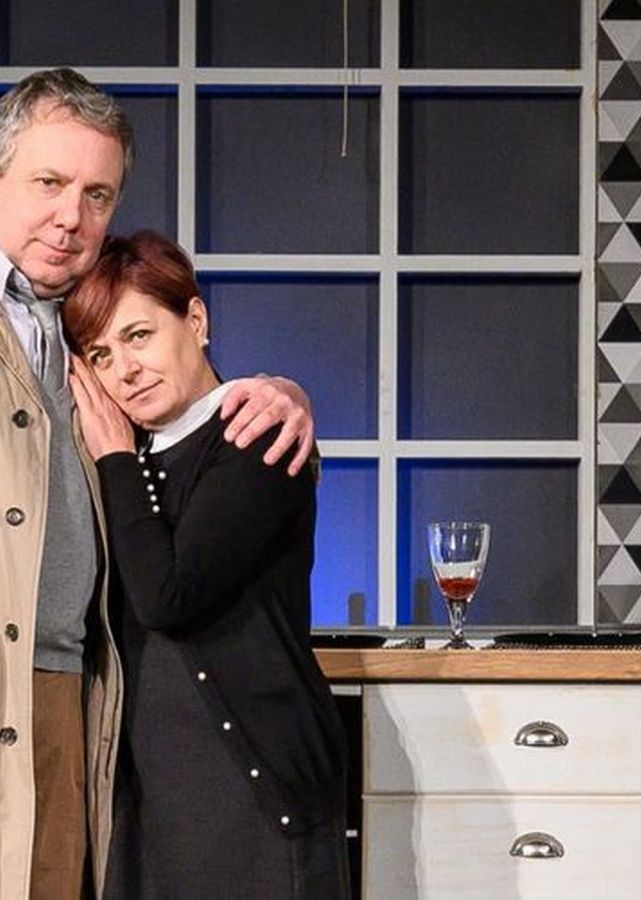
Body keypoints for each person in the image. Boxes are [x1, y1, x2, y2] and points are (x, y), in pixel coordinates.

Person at [0, 68, 315, 900]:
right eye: (48, 183)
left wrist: (280, 392)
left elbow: (187, 419)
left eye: (97, 195)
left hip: (76, 697)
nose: (71, 216)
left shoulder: (84, 318)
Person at [63, 230, 349, 899]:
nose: (125, 369)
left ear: (195, 320)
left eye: (139, 336)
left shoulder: (257, 429)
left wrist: (115, 458)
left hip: (255, 783)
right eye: (101, 355)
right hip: (152, 794)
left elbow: (168, 595)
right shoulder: (118, 453)